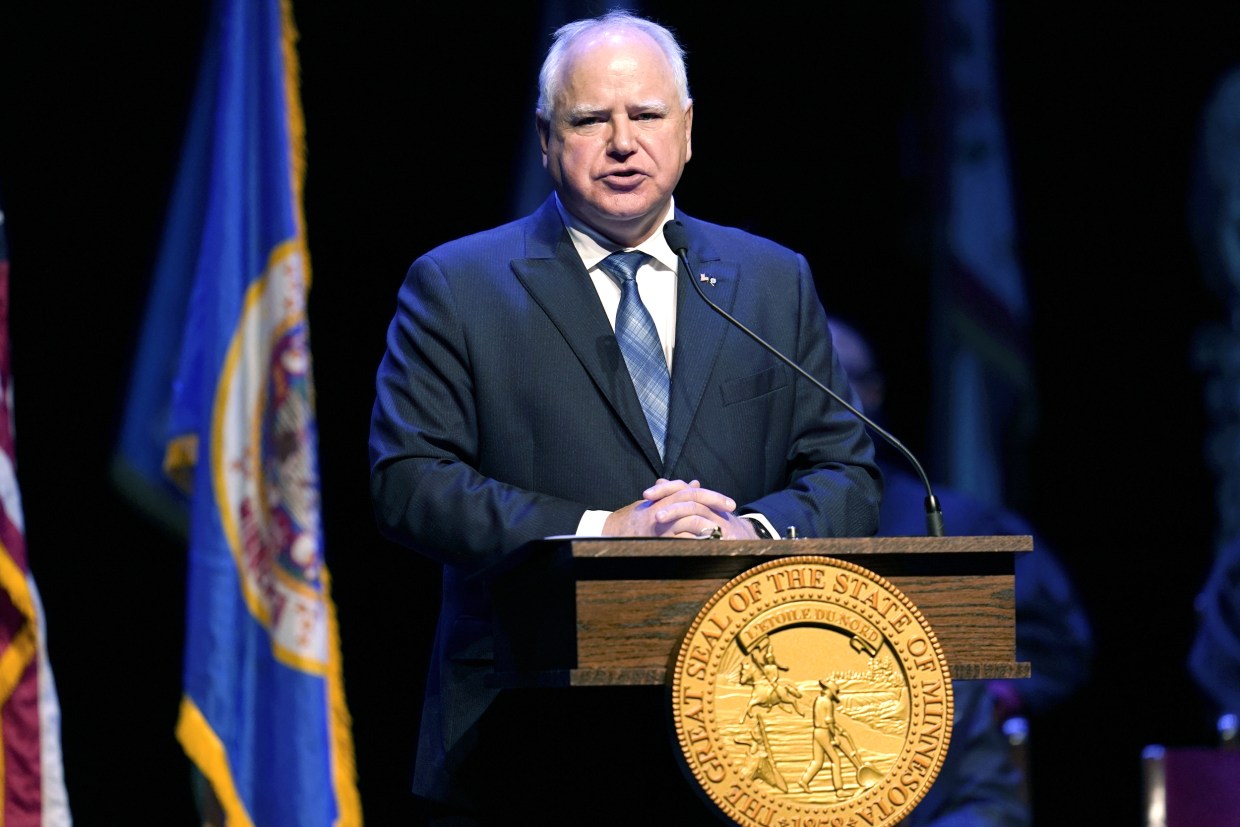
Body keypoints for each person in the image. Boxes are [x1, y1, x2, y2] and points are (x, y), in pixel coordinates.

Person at [368, 11, 881, 823]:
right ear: (546, 138)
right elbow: (409, 482)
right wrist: (604, 527)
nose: (621, 141)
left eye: (644, 115)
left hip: (745, 730)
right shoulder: (457, 285)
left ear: (685, 131)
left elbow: (847, 468)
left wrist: (747, 530)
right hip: (526, 732)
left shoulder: (771, 279)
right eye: (589, 119)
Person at [826, 316, 1094, 723]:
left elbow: (1053, 645)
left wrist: (980, 701)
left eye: (838, 379)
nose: (826, 398)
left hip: (940, 764)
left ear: (874, 392)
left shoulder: (961, 522)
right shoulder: (739, 515)